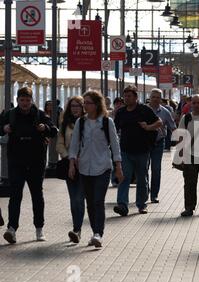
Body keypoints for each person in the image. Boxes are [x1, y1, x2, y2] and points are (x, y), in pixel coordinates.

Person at [0, 87, 58, 244]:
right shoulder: (9, 114)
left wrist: (44, 128)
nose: (25, 103)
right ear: (18, 100)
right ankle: (11, 229)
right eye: (22, 100)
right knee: (15, 195)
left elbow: (54, 130)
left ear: (32, 100)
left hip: (36, 162)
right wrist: (3, 128)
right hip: (16, 161)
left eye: (27, 100)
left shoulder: (40, 114)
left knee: (37, 195)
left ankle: (39, 229)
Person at [68, 90, 124, 248]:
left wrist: (118, 167)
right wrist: (72, 164)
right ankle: (94, 231)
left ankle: (98, 233)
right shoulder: (81, 122)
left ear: (97, 104)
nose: (85, 106)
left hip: (103, 166)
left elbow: (115, 145)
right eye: (84, 103)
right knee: (90, 203)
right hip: (84, 167)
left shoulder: (107, 122)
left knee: (98, 201)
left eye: (88, 103)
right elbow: (74, 145)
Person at [113, 85, 162, 216]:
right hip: (125, 150)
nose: (127, 98)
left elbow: (159, 122)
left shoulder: (144, 110)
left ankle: (141, 204)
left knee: (141, 178)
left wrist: (148, 127)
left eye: (129, 96)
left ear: (136, 97)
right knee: (124, 177)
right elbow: (113, 129)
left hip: (142, 150)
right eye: (125, 96)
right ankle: (122, 205)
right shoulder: (121, 112)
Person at [56, 96, 86, 244]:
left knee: (80, 199)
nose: (75, 108)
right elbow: (59, 144)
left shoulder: (89, 123)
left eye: (78, 106)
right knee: (74, 199)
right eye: (73, 106)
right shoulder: (65, 125)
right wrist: (69, 158)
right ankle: (77, 229)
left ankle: (77, 229)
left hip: (86, 165)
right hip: (70, 165)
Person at [148, 89, 176, 203]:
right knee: (143, 169)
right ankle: (144, 193)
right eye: (153, 97)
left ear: (161, 99)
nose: (155, 99)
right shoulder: (143, 110)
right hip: (144, 143)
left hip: (158, 143)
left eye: (157, 97)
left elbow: (172, 127)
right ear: (150, 98)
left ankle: (154, 195)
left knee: (156, 169)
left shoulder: (165, 112)